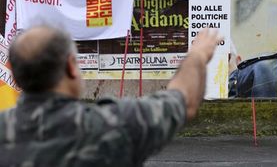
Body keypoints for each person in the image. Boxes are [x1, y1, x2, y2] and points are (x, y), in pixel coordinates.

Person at [0, 25, 220, 166]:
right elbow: (185, 99)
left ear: (17, 79)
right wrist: (197, 55)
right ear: (71, 67)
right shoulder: (115, 124)